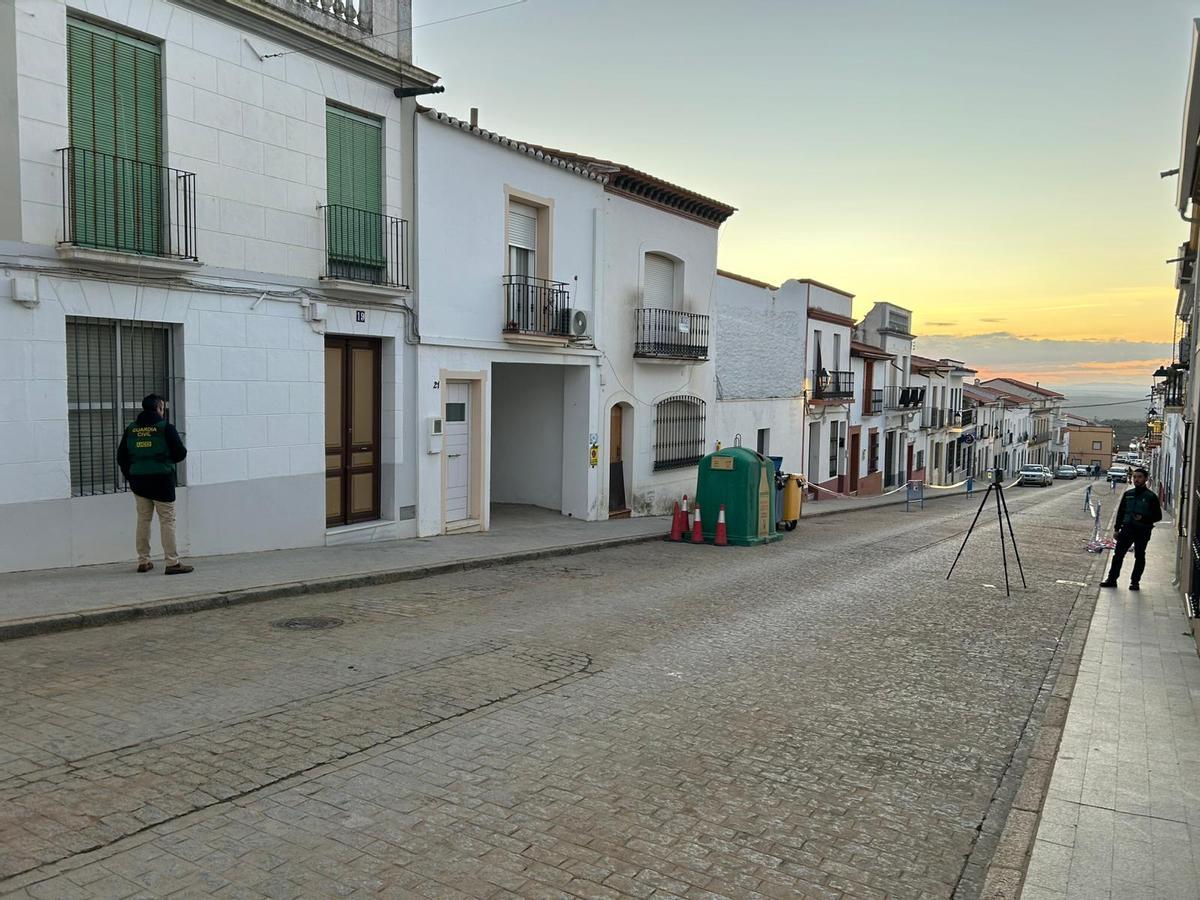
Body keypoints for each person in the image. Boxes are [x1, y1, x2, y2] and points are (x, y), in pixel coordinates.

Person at [116, 394, 193, 575]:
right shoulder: (166, 428)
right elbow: (180, 453)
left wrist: (132, 476)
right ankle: (172, 562)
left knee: (143, 519)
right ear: (159, 408)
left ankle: (143, 561)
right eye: (163, 407)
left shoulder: (131, 429)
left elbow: (121, 457)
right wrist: (165, 461)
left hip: (139, 483)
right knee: (167, 520)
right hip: (162, 481)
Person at [1100, 467, 1161, 591]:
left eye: (1139, 477)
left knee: (1139, 556)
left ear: (1145, 479)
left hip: (1143, 531)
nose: (1136, 479)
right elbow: (1121, 512)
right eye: (1134, 477)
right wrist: (1117, 529)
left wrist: (1143, 518)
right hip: (1127, 529)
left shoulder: (1151, 497)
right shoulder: (1128, 494)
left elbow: (1158, 516)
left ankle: (1135, 582)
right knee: (1118, 555)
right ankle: (1111, 580)